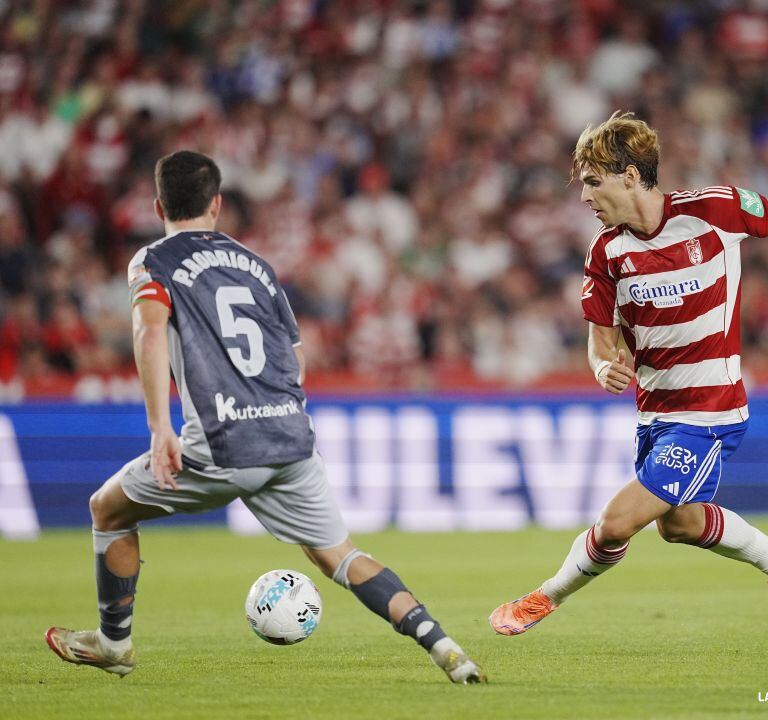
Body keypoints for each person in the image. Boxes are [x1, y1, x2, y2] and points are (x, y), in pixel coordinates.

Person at [45, 150, 485, 685]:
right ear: (217, 203)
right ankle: (445, 647)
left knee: (107, 510)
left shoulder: (152, 260)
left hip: (222, 443)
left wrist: (161, 425)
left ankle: (114, 643)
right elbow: (296, 359)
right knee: (340, 557)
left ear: (159, 205)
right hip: (290, 438)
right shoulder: (257, 265)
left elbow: (150, 329)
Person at [489, 111, 768, 637]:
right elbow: (600, 339)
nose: (584, 197)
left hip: (710, 409)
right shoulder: (607, 253)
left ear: (630, 176)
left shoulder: (714, 210)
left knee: (616, 523)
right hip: (656, 412)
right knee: (679, 525)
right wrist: (603, 366)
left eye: (592, 181)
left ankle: (543, 598)